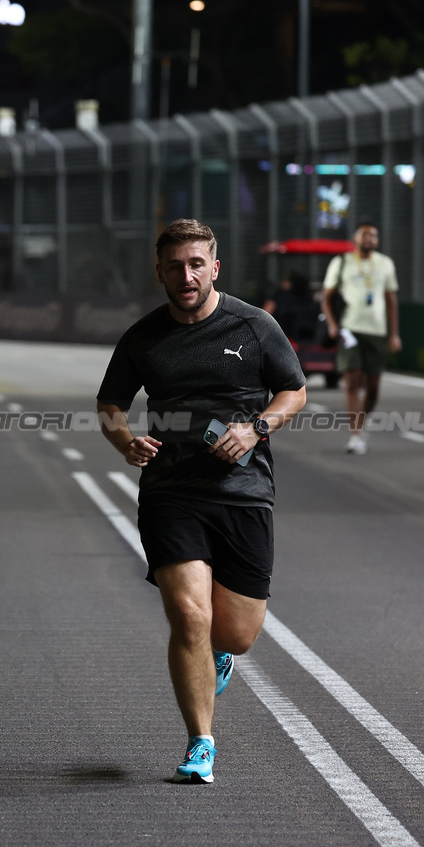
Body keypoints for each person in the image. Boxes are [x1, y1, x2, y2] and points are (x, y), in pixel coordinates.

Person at [96, 219, 306, 784]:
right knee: (190, 616)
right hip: (171, 492)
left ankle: (221, 654)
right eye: (175, 266)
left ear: (215, 267)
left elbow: (295, 390)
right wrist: (125, 439)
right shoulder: (143, 336)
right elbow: (110, 404)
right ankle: (201, 743)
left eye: (196, 264)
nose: (186, 275)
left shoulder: (254, 325)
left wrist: (257, 427)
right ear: (159, 271)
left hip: (243, 493)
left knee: (234, 633)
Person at [320, 221, 402, 454]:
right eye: (365, 234)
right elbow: (326, 297)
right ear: (355, 237)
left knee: (373, 386)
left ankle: (360, 423)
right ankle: (355, 435)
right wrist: (333, 325)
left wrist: (394, 334)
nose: (370, 238)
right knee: (352, 379)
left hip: (377, 330)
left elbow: (391, 300)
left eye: (374, 235)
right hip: (350, 329)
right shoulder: (342, 262)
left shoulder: (385, 264)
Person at [262, 271, 318, 343]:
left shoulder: (299, 296)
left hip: (294, 337)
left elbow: (266, 314)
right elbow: (267, 312)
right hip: (288, 336)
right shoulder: (279, 295)